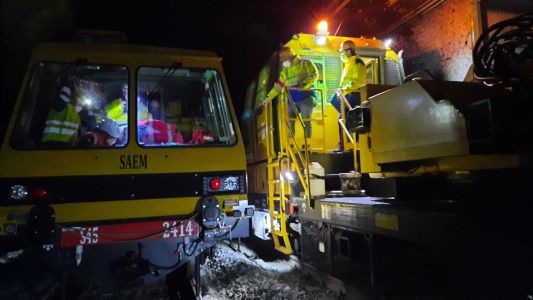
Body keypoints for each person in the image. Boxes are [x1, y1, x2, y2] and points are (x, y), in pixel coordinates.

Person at [262, 46, 319, 138]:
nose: (282, 61)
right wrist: (268, 98)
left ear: (290, 56)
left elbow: (314, 75)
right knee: (290, 122)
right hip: (291, 100)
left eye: (283, 58)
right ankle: (291, 145)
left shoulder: (306, 63)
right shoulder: (285, 72)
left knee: (306, 121)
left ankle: (308, 145)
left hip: (306, 97)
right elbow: (278, 86)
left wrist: (303, 85)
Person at [330, 40, 367, 152]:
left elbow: (358, 81)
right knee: (343, 118)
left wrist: (343, 89)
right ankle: (345, 144)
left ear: (350, 50)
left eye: (344, 51)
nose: (342, 53)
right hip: (346, 94)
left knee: (347, 119)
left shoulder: (358, 63)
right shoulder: (348, 63)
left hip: (354, 95)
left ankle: (349, 145)